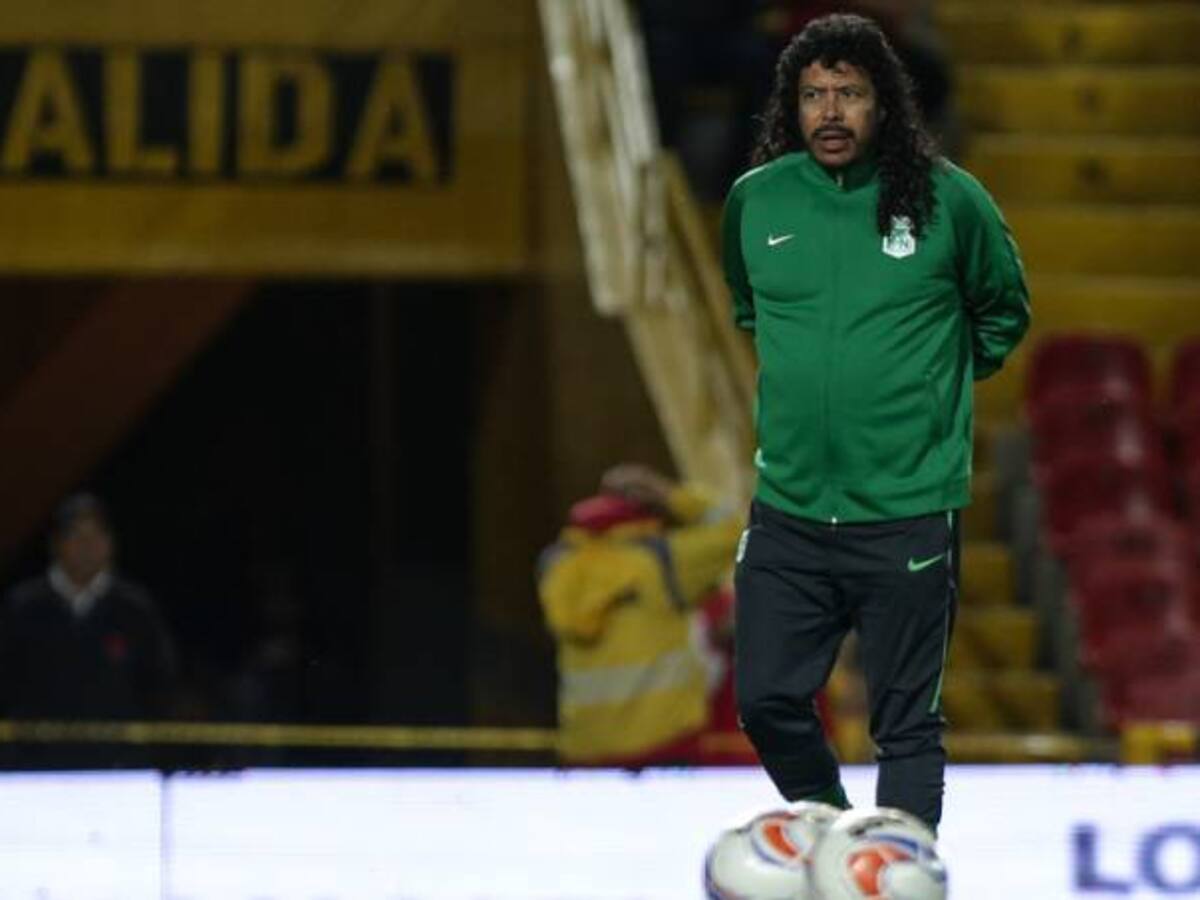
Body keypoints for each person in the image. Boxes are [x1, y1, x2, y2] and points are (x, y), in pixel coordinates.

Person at [721, 14, 1030, 830]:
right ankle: (834, 831)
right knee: (764, 701)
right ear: (791, 107)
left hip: (906, 513)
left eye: (849, 94)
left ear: (883, 105)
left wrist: (933, 390)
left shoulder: (950, 199)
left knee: (907, 728)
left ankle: (896, 878)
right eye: (813, 94)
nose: (829, 111)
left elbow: (1003, 312)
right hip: (787, 510)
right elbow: (752, 313)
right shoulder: (754, 203)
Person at [536, 464, 744, 766]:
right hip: (666, 745)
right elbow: (734, 528)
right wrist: (669, 494)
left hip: (585, 748)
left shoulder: (559, 569)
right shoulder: (662, 562)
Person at [0, 493, 178, 766]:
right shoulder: (23, 607)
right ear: (57, 544)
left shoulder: (134, 609)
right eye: (77, 536)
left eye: (96, 537)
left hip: (118, 765)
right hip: (35, 766)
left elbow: (159, 684)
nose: (87, 546)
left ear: (110, 544)